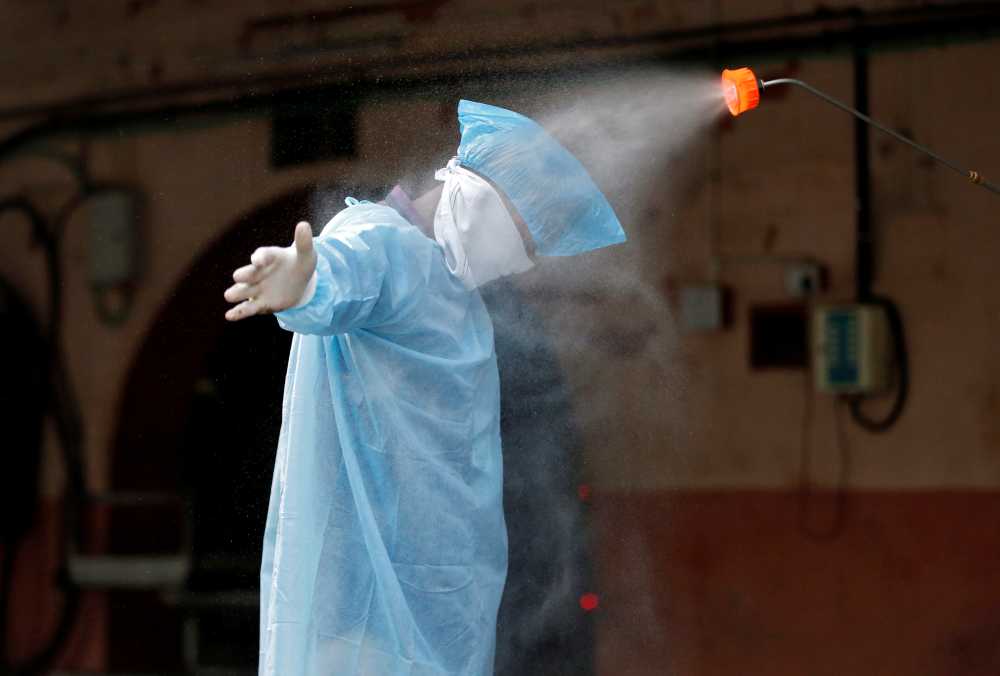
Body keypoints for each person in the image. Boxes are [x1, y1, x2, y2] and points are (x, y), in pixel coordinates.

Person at [224, 99, 625, 676]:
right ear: (479, 188)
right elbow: (345, 272)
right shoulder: (385, 242)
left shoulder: (456, 293)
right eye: (525, 234)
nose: (522, 260)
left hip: (433, 608)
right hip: (369, 611)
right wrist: (305, 282)